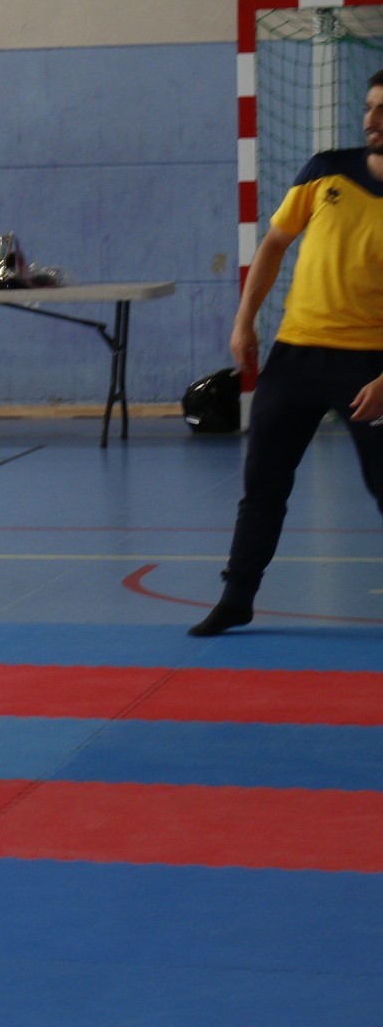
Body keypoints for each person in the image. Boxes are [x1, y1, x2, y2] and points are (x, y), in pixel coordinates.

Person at [191, 70, 383, 636]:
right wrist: (244, 320)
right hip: (295, 355)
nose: (372, 120)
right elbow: (275, 243)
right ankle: (237, 597)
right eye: (369, 107)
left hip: (368, 366)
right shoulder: (326, 170)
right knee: (263, 483)